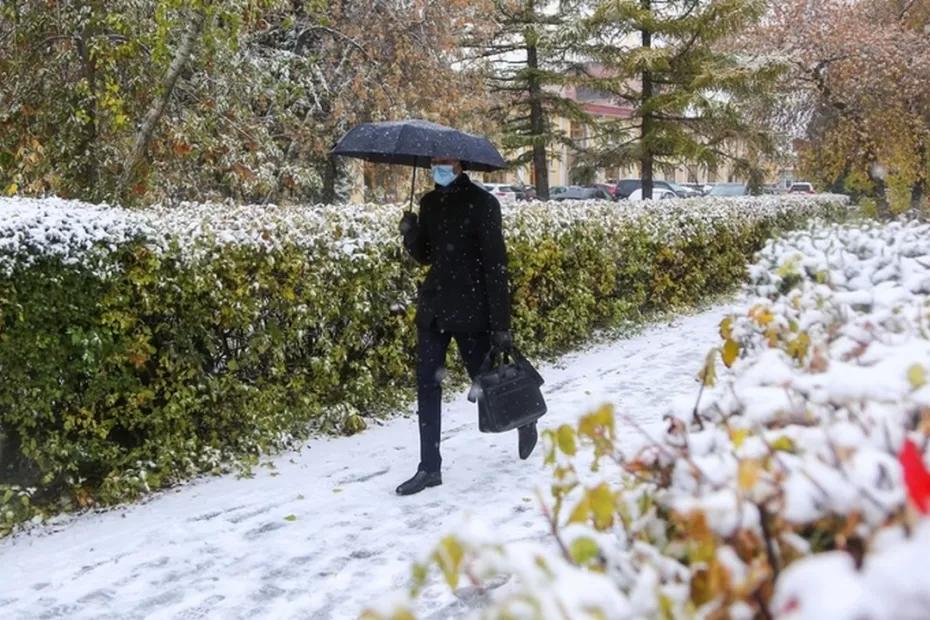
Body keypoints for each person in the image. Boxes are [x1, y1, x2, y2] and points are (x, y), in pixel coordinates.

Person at [395, 157, 538, 496]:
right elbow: (427, 255)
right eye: (433, 162)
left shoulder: (483, 204)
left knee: (488, 382)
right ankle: (429, 468)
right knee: (427, 386)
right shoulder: (428, 202)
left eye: (443, 162)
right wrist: (411, 232)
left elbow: (495, 265)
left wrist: (501, 324)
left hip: (472, 311)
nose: (436, 168)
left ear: (459, 163)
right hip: (433, 310)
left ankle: (526, 418)